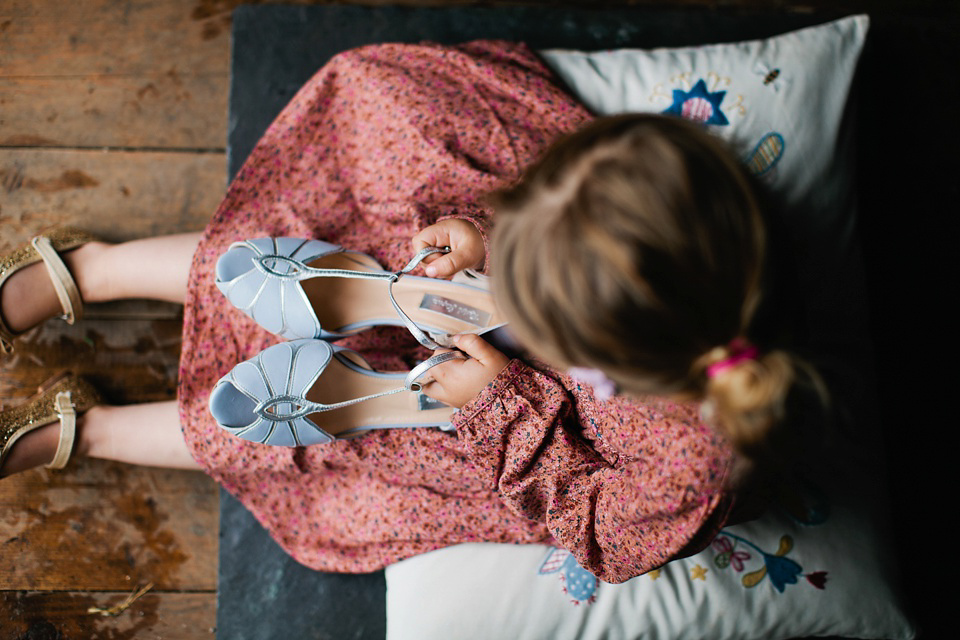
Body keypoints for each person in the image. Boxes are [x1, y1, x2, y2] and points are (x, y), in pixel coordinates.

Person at [0, 40, 818, 583]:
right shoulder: (671, 218)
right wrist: (479, 236)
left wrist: (499, 403)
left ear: (601, 357)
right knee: (362, 195)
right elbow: (552, 196)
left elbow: (597, 529)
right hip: (505, 283)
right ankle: (102, 269)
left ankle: (98, 430)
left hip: (530, 432)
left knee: (340, 444)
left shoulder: (693, 465)